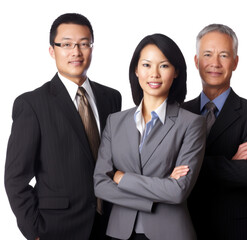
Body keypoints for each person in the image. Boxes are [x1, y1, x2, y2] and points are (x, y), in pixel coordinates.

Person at [4, 13, 122, 240]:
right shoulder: (32, 104)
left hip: (110, 224)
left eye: (84, 44)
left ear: (91, 48)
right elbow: (15, 179)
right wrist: (35, 232)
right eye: (66, 44)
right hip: (58, 228)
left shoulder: (111, 97)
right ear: (52, 50)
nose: (76, 52)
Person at [93, 33, 206, 240]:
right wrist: (154, 196)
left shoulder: (191, 123)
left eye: (163, 66)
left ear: (176, 72)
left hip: (170, 233)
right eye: (146, 65)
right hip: (119, 233)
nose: (154, 74)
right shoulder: (115, 121)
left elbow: (178, 191)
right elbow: (100, 185)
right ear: (136, 70)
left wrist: (121, 178)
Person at [182, 24, 247, 240]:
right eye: (207, 54)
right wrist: (229, 162)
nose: (215, 63)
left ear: (235, 62)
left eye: (224, 55)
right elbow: (163, 167)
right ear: (196, 61)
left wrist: (188, 165)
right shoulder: (179, 113)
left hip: (237, 230)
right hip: (186, 226)